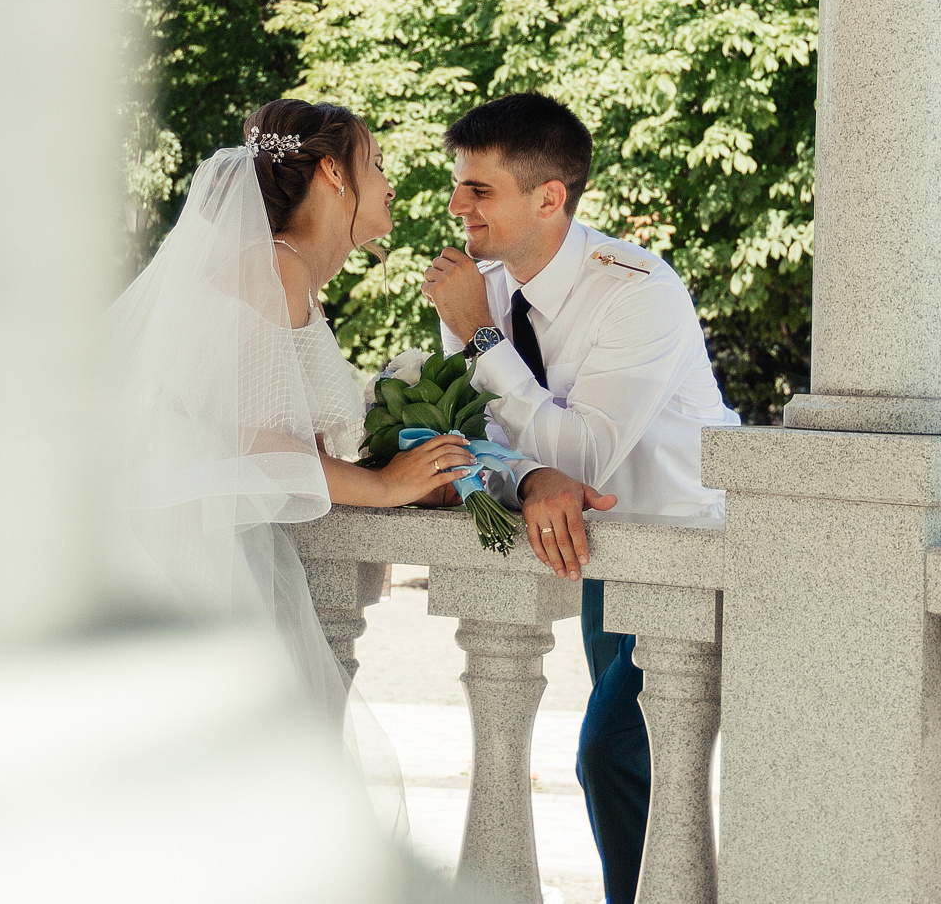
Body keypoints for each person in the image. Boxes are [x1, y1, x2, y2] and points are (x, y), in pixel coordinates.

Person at [109, 98, 472, 830]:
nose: (389, 180)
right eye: (376, 163)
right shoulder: (276, 269)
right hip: (199, 561)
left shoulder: (284, 270)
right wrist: (382, 484)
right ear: (334, 174)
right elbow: (258, 446)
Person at [421, 92, 741, 904]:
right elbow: (465, 441)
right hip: (599, 553)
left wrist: (484, 340)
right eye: (459, 185)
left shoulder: (638, 288)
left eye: (479, 189)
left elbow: (589, 454)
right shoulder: (482, 286)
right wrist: (525, 477)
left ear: (550, 196)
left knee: (610, 751)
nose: (458, 205)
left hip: (685, 556)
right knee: (630, 766)